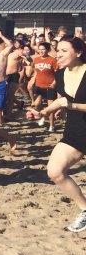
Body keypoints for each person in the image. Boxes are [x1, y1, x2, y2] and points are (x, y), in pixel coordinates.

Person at [27, 38, 86, 232]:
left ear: (78, 52)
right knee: (55, 171)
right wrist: (43, 112)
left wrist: (72, 106)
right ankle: (85, 210)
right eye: (57, 50)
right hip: (76, 130)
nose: (58, 54)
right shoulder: (60, 74)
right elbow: (62, 100)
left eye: (63, 50)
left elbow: (69, 104)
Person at [29, 41, 60, 132]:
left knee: (50, 108)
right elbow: (35, 71)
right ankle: (41, 117)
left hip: (49, 87)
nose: (41, 51)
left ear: (47, 50)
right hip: (38, 85)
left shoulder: (52, 60)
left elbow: (58, 73)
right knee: (36, 105)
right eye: (40, 49)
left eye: (43, 49)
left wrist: (54, 83)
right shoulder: (36, 59)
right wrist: (32, 79)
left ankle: (51, 125)